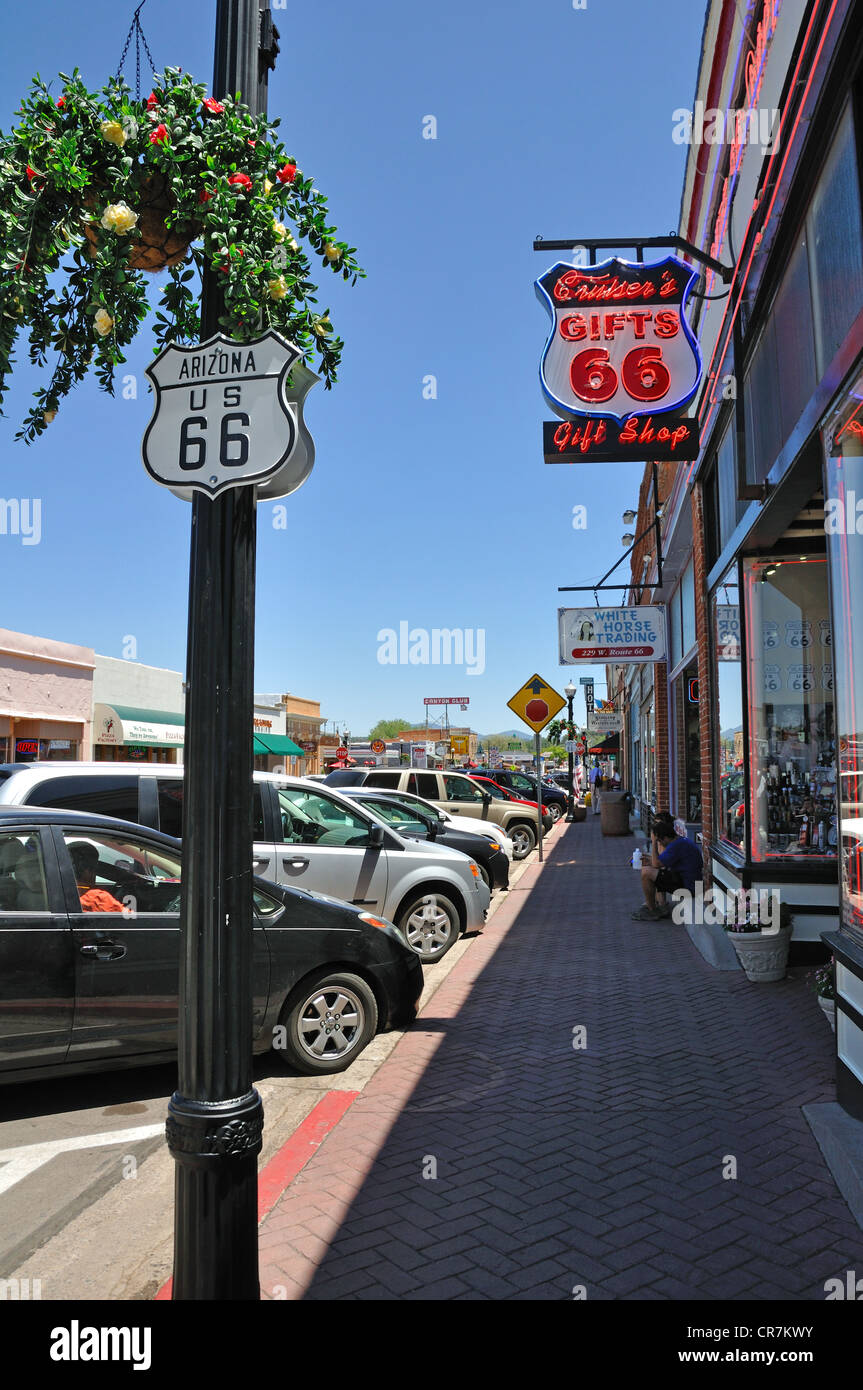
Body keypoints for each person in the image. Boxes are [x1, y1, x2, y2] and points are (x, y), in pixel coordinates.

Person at [632, 812, 703, 921]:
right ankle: (657, 904)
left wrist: (654, 842)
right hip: (687, 881)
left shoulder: (676, 846)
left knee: (646, 872)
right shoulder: (679, 842)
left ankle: (652, 910)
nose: (660, 843)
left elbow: (656, 864)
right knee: (652, 869)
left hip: (690, 887)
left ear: (665, 838)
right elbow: (660, 861)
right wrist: (644, 858)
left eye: (660, 841)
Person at [70, 841, 125, 913]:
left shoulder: (56, 892)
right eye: (95, 868)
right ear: (88, 871)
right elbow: (131, 918)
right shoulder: (97, 898)